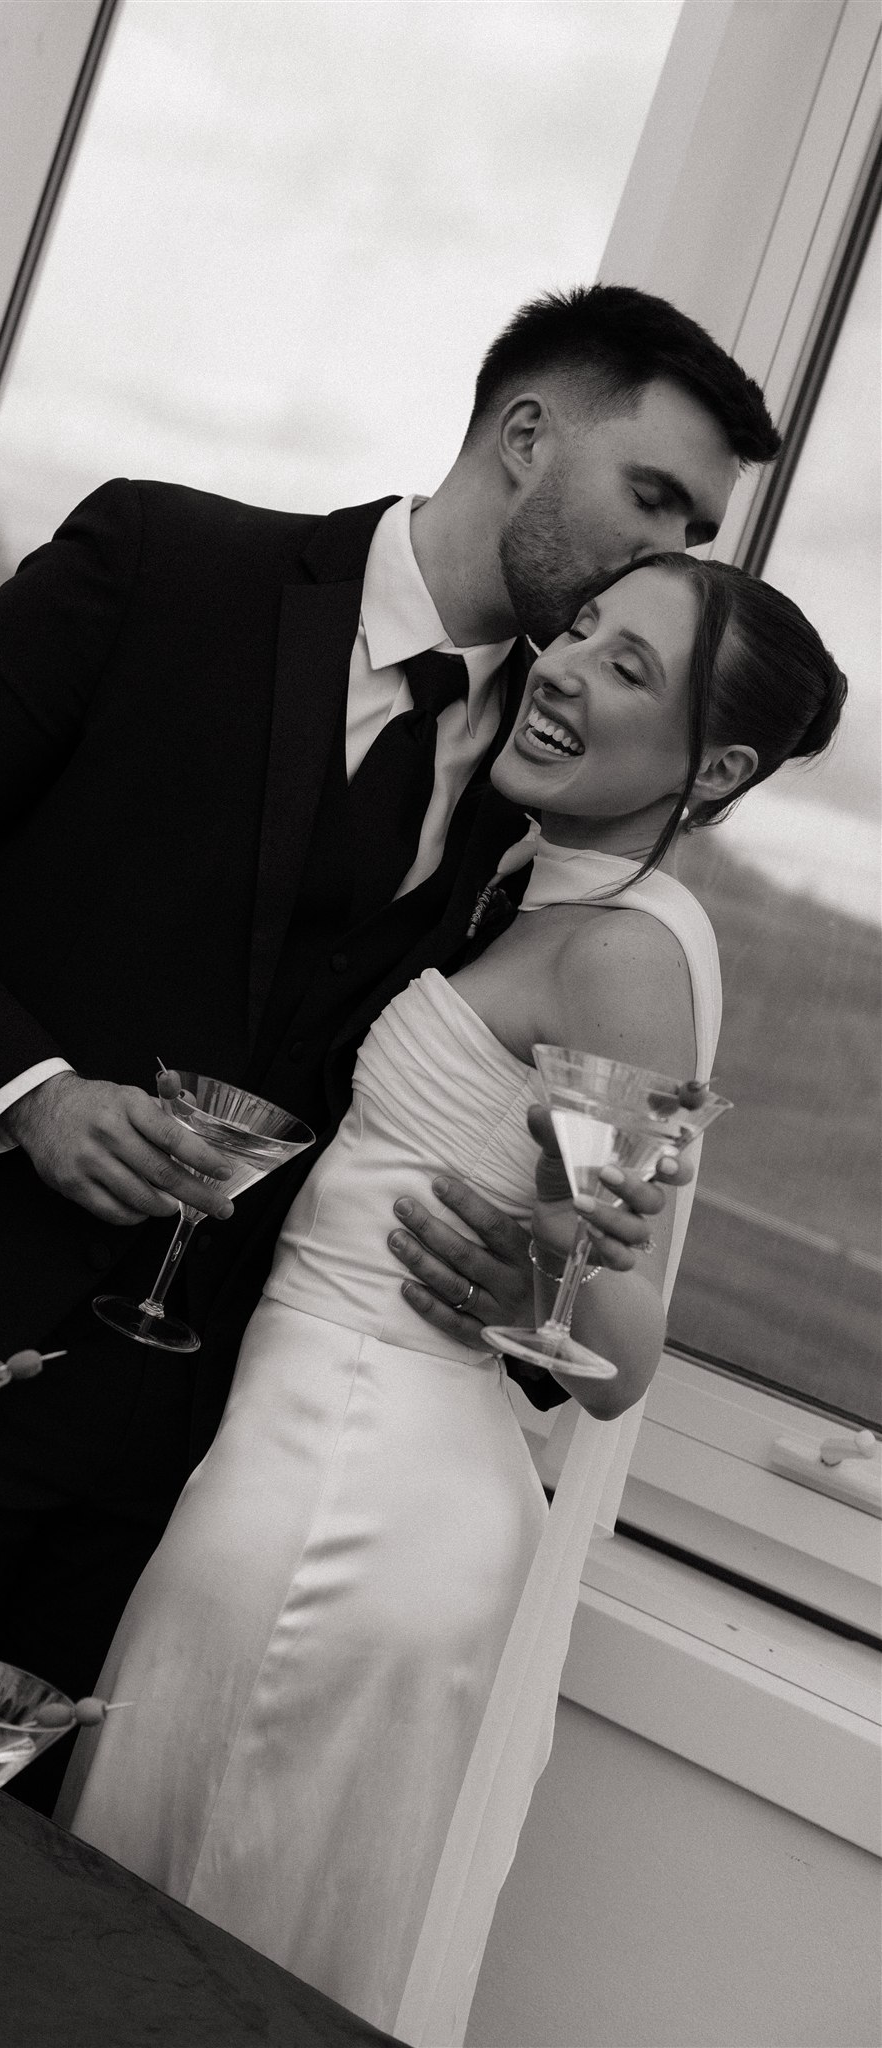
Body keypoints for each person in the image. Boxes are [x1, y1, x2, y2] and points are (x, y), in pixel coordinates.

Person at [0, 285, 777, 1808]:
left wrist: (537, 1284)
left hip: (191, 1462)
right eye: (651, 497)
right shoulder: (163, 563)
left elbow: (501, 1134)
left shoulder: (544, 779)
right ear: (524, 434)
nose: (666, 552)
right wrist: (32, 1092)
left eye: (693, 526)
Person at [57, 555, 846, 2031]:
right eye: (585, 629)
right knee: (149, 1916)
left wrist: (555, 1257)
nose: (566, 667)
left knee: (185, 1955)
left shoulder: (622, 960)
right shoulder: (526, 888)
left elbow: (618, 1355)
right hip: (300, 1442)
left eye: (631, 669)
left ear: (716, 770)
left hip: (357, 1491)